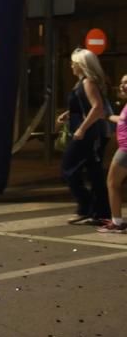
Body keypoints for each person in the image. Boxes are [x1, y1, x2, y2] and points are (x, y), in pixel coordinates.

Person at [56, 48, 112, 225]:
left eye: (74, 62)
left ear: (81, 65)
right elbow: (85, 106)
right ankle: (99, 212)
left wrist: (81, 129)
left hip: (88, 134)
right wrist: (68, 113)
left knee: (68, 168)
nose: (71, 65)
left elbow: (97, 108)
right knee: (94, 172)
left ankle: (87, 205)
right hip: (86, 132)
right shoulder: (82, 83)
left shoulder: (88, 82)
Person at [98, 74, 127, 233]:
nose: (122, 85)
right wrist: (108, 116)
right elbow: (122, 120)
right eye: (122, 82)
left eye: (126, 83)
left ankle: (117, 222)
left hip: (125, 149)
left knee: (112, 183)